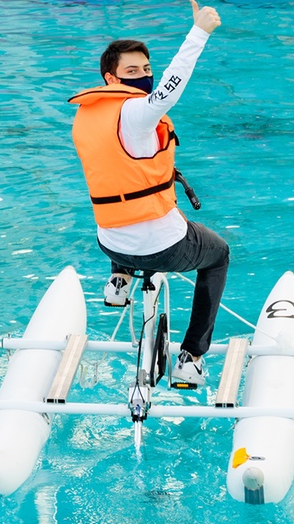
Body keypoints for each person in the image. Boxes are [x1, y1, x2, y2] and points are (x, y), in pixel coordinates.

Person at [69, 1, 227, 387]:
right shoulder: (139, 113)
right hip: (163, 247)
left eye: (146, 69)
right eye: (132, 71)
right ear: (111, 77)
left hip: (109, 242)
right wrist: (199, 31)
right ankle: (191, 356)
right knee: (218, 255)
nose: (143, 77)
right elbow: (174, 82)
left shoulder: (89, 114)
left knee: (123, 204)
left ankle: (119, 282)